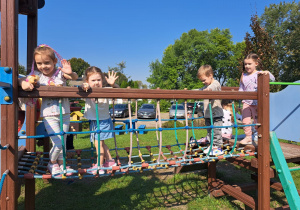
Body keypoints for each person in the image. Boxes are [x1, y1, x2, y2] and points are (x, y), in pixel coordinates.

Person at [19, 44, 78, 175]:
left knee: (63, 138)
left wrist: (71, 73)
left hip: (65, 113)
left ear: (54, 61)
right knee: (58, 141)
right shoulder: (37, 76)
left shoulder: (60, 73)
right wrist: (23, 83)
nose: (43, 66)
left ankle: (62, 165)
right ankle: (51, 163)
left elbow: (73, 77)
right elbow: (22, 79)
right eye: (39, 63)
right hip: (49, 115)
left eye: (47, 62)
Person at [82, 66, 118, 175]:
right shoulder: (87, 91)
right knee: (101, 144)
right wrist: (84, 86)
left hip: (102, 121)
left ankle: (99, 166)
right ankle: (110, 161)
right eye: (93, 80)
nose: (96, 82)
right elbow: (79, 88)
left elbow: (118, 91)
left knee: (98, 145)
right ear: (87, 81)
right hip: (95, 121)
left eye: (99, 80)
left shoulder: (106, 90)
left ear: (102, 80)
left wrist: (113, 84)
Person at [239, 53, 275, 144]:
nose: (247, 66)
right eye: (245, 64)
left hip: (257, 102)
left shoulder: (259, 74)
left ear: (256, 64)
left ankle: (257, 134)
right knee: (245, 120)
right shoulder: (244, 75)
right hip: (246, 102)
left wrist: (267, 73)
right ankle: (248, 137)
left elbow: (272, 79)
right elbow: (241, 88)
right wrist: (239, 96)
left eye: (249, 64)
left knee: (257, 120)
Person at [197, 65, 224, 155]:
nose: (203, 82)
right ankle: (212, 145)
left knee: (216, 131)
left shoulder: (215, 83)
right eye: (201, 81)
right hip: (208, 114)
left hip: (216, 113)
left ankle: (218, 147)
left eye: (204, 80)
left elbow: (213, 88)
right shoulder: (205, 86)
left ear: (210, 75)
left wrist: (208, 89)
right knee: (209, 132)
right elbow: (199, 91)